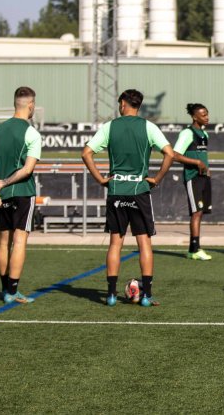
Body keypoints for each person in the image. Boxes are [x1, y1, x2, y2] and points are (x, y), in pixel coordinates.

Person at [83, 89, 175, 307]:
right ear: (139, 105)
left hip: (116, 190)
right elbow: (169, 153)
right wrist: (157, 178)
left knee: (116, 242)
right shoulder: (148, 127)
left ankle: (112, 295)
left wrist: (100, 179)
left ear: (123, 103)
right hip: (139, 189)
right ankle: (146, 295)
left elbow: (86, 153)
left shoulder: (109, 126)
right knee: (144, 243)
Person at [0, 86, 42, 304]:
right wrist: (6, 181)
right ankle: (13, 290)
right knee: (19, 240)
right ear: (31, 105)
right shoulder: (32, 133)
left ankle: (4, 290)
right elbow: (28, 169)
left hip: (2, 194)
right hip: (22, 192)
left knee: (3, 241)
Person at [174, 103, 213, 261]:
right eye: (203, 115)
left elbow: (202, 156)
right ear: (194, 117)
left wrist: (207, 169)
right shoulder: (187, 133)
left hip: (204, 178)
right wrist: (196, 163)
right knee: (196, 212)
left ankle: (192, 249)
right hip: (192, 177)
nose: (207, 117)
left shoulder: (204, 134)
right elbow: (175, 155)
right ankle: (195, 249)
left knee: (200, 212)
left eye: (207, 114)